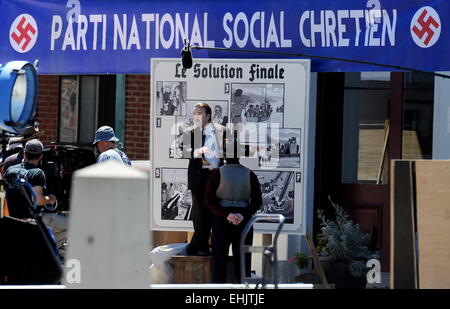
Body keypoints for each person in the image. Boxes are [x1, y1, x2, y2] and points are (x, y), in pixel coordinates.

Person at [205, 142, 262, 283]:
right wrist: (243, 214)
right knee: (243, 259)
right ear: (240, 155)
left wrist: (226, 215)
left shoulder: (217, 173)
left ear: (224, 154)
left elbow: (209, 200)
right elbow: (256, 201)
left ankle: (216, 291)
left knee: (219, 258)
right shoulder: (250, 174)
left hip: (222, 219)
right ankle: (243, 291)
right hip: (244, 220)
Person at [181, 102, 227, 256]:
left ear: (208, 116)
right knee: (200, 213)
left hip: (217, 178)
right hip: (199, 179)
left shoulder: (222, 131)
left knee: (217, 214)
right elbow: (185, 152)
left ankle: (212, 246)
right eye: (195, 113)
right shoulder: (190, 132)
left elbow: (232, 151)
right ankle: (200, 246)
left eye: (199, 113)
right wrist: (198, 151)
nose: (196, 116)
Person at [3, 139, 57, 219]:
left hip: (12, 219)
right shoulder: (37, 173)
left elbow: (5, 197)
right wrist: (51, 199)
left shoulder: (10, 170)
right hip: (30, 222)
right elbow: (38, 200)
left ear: (24, 154)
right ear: (41, 156)